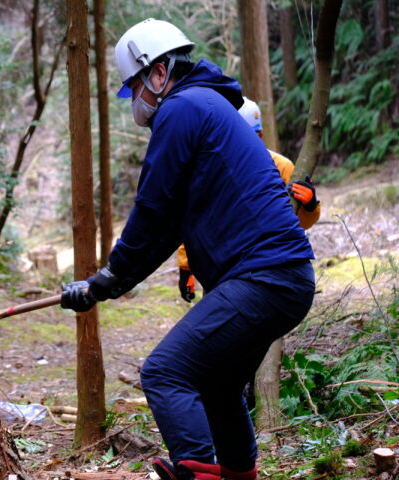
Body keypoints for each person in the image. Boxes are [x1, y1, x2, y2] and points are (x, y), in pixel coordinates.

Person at [60, 19, 315, 480]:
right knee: (218, 385)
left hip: (265, 278)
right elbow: (164, 230)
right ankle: (237, 474)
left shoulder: (182, 109)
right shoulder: (205, 106)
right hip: (282, 279)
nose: (134, 99)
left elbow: (152, 208)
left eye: (134, 85)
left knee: (164, 372)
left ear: (159, 73)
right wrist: (104, 285)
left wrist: (111, 276)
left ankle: (197, 473)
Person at [177, 96, 322, 303]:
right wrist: (186, 268)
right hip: (221, 269)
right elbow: (196, 221)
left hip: (271, 266)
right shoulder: (212, 171)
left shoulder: (282, 168)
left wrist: (309, 207)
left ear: (260, 135)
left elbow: (295, 224)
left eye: (251, 136)